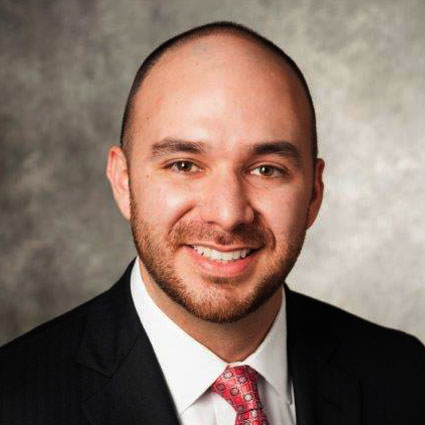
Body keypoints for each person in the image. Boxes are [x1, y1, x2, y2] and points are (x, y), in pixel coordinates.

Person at [0, 21, 424, 425]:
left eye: (266, 169)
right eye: (184, 165)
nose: (228, 214)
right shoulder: (14, 400)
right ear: (124, 181)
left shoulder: (406, 378)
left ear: (314, 193)